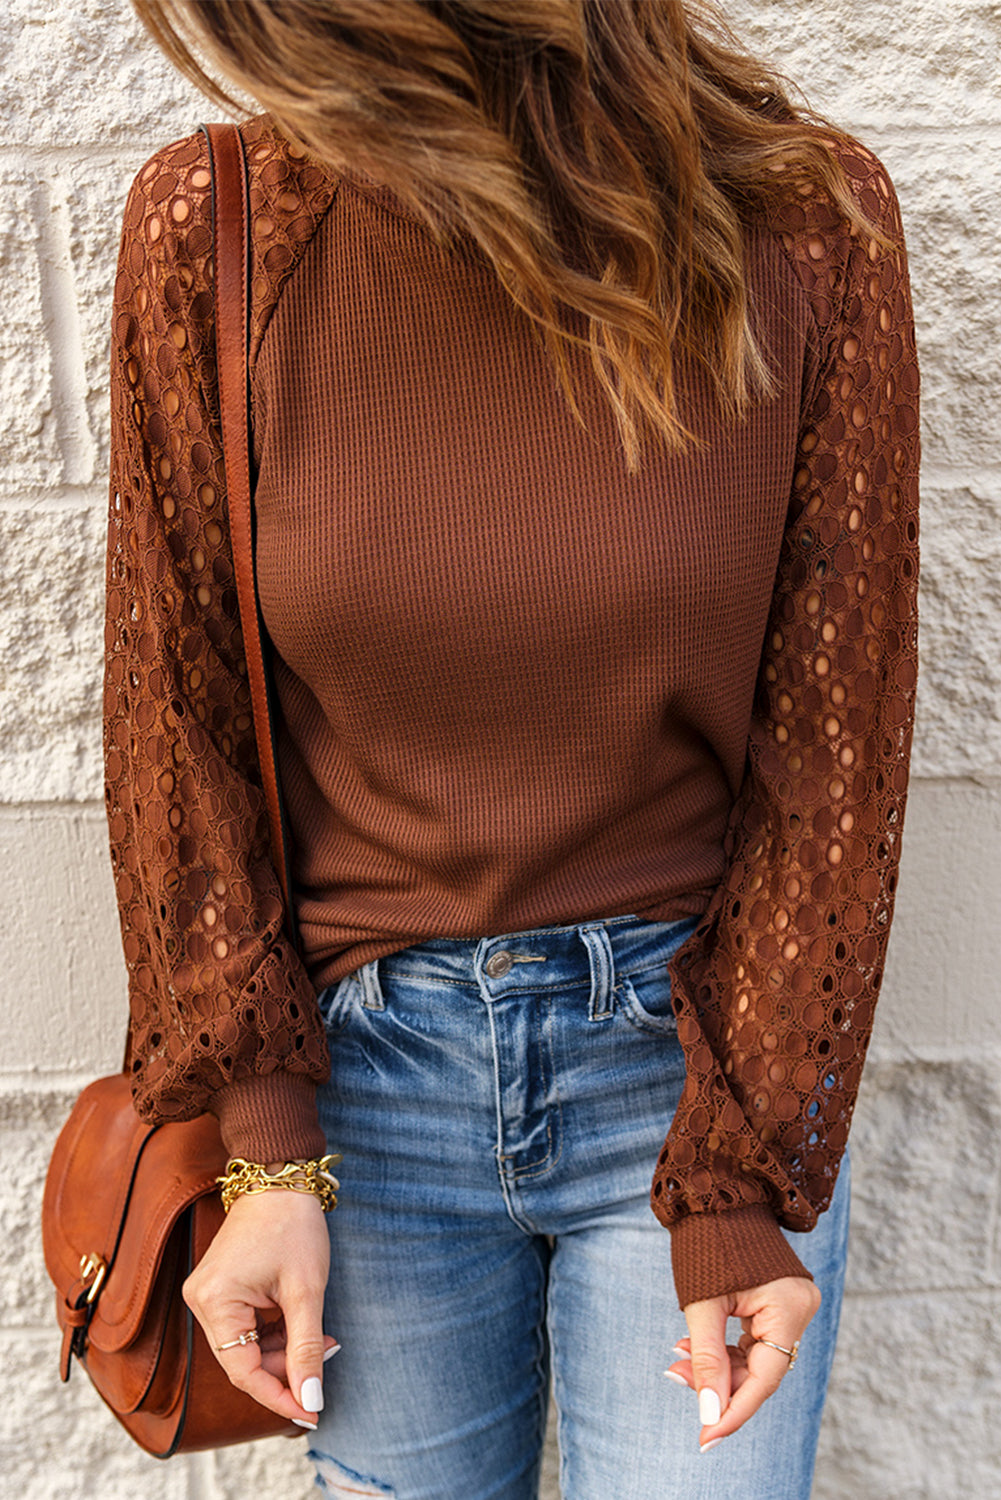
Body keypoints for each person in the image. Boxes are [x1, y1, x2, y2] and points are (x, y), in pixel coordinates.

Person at [104, 2, 919, 1496]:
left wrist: (735, 1179)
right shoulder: (216, 223)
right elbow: (181, 720)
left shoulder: (804, 226)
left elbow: (835, 747)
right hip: (360, 1107)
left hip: (687, 1071)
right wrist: (268, 1153)